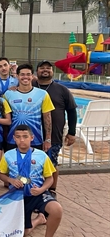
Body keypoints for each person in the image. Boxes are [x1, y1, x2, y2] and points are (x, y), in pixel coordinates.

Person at [0, 125, 63, 237]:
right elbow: (1, 174)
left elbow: (50, 178)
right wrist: (10, 179)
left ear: (32, 138)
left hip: (37, 193)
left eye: (25, 137)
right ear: (14, 139)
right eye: (18, 137)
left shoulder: (42, 155)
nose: (22, 140)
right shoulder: (8, 155)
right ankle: (39, 219)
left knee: (57, 210)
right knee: (23, 233)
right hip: (17, 197)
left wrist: (41, 189)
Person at [35, 60, 77, 197]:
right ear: (37, 71)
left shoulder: (62, 90)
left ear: (52, 72)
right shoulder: (30, 85)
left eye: (48, 68)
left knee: (51, 162)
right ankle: (35, 189)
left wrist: (72, 132)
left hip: (54, 134)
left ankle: (51, 189)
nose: (45, 70)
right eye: (42, 68)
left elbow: (71, 111)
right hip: (33, 134)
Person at [4, 63, 54, 151]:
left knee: (34, 164)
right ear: (17, 76)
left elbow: (47, 117)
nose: (25, 77)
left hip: (35, 139)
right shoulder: (8, 94)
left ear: (32, 76)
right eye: (22, 74)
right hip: (13, 140)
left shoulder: (43, 94)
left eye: (28, 74)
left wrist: (48, 139)